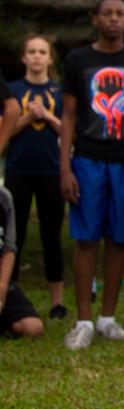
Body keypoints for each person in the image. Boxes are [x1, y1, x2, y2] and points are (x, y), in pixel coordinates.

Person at [60, 0, 124, 351]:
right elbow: (68, 117)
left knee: (119, 238)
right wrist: (65, 167)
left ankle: (108, 319)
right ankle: (83, 321)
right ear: (95, 19)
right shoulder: (78, 60)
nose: (114, 19)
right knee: (86, 237)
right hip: (87, 160)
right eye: (107, 14)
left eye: (120, 14)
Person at [4, 36, 66, 318]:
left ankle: (57, 303)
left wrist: (48, 117)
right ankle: (9, 292)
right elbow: (6, 131)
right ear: (24, 57)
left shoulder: (59, 91)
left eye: (42, 52)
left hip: (51, 171)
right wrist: (27, 117)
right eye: (32, 51)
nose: (37, 57)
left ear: (50, 58)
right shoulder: (12, 90)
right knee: (15, 236)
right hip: (18, 170)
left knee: (51, 235)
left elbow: (69, 132)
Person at [0, 184, 44, 339]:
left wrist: (2, 286)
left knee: (33, 328)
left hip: (1, 279)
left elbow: (9, 248)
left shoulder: (3, 197)